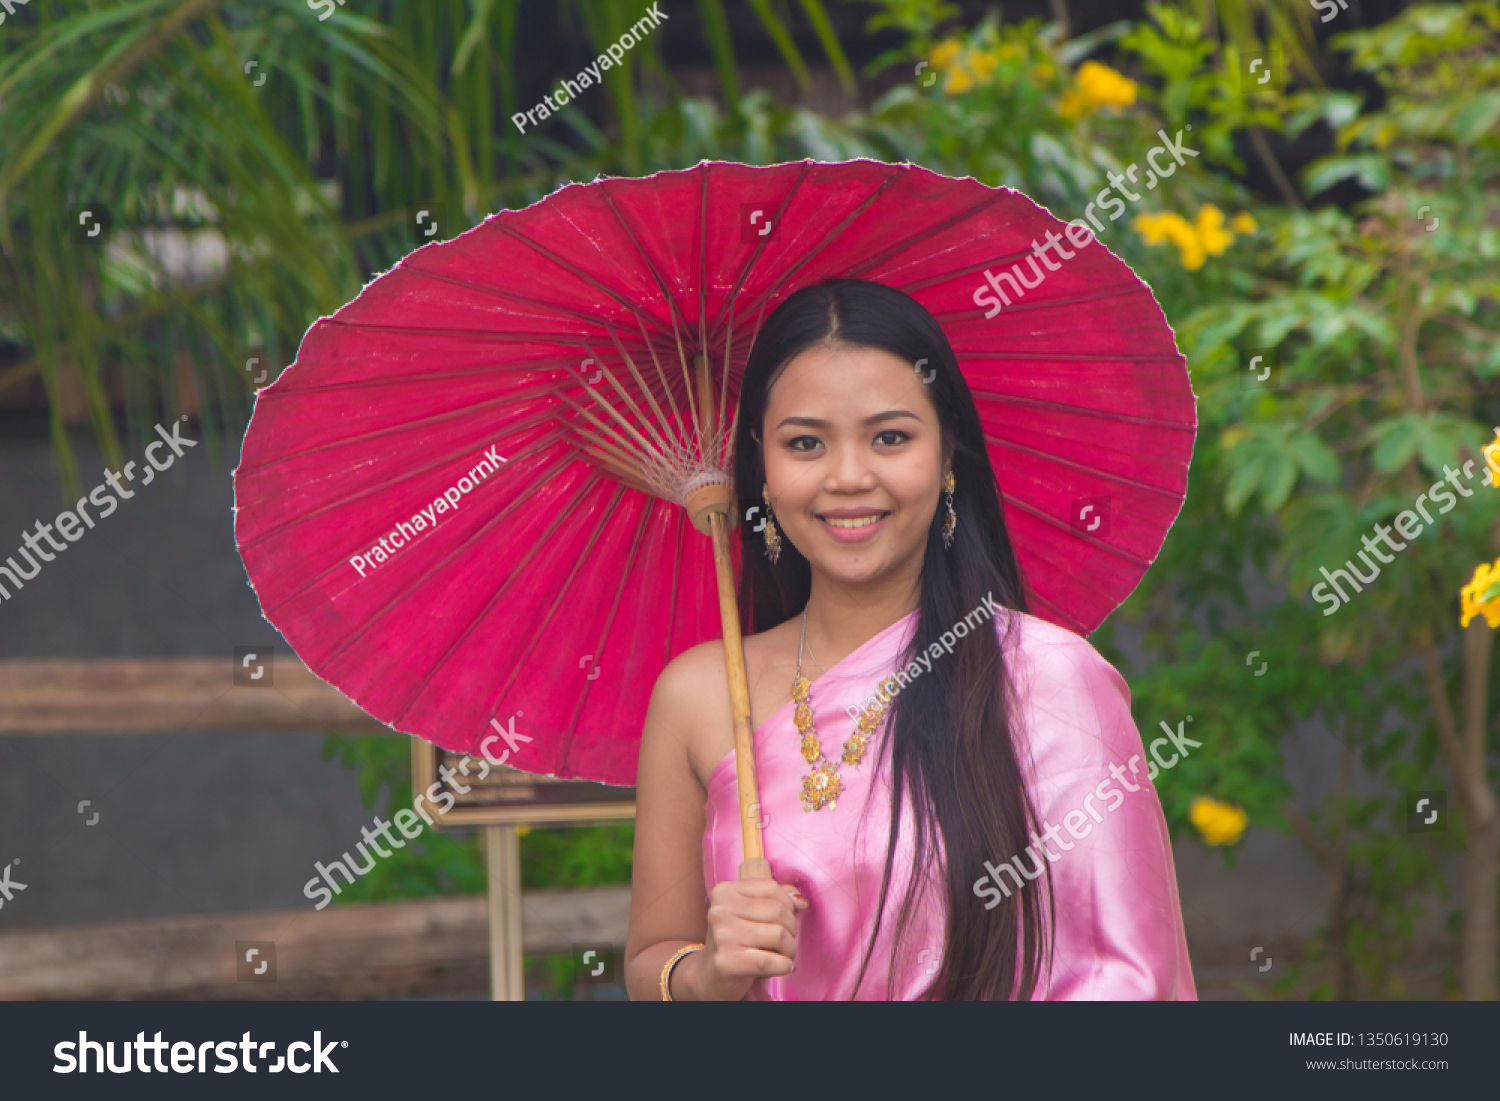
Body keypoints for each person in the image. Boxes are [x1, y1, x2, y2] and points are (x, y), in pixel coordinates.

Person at [624, 279, 1195, 1000]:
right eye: (805, 443)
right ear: (761, 465)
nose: (849, 476)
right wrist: (706, 972)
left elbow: (1126, 975)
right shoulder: (699, 694)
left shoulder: (1049, 681)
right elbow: (649, 959)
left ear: (946, 451)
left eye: (890, 437)